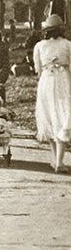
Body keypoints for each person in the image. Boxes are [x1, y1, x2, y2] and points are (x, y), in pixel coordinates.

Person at [33, 14, 71, 172]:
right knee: (62, 115)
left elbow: (38, 69)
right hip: (63, 80)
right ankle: (58, 161)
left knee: (48, 115)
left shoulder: (40, 46)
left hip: (47, 80)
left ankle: (56, 160)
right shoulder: (68, 44)